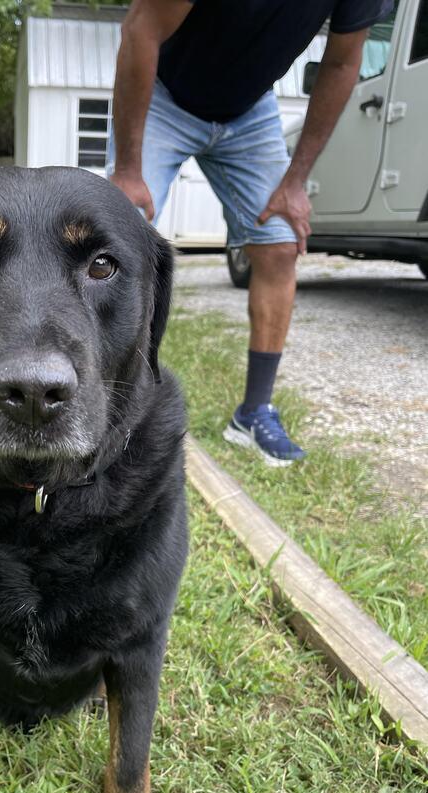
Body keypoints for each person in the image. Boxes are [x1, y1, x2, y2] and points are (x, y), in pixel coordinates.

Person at [108, 0, 393, 467]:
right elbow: (142, 30)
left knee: (280, 244)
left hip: (248, 112)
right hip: (162, 96)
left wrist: (294, 183)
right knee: (121, 237)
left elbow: (343, 62)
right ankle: (115, 406)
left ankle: (254, 412)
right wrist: (128, 169)